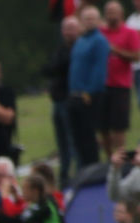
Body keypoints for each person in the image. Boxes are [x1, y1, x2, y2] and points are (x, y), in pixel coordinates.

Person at [70, 8, 112, 172]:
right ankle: (83, 169)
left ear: (98, 20)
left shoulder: (99, 41)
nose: (89, 22)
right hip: (74, 94)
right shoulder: (80, 41)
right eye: (86, 18)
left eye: (92, 18)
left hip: (88, 95)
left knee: (88, 136)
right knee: (78, 137)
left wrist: (90, 91)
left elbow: (99, 70)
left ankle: (93, 170)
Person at [103, 1, 140, 158]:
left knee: (118, 127)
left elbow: (136, 56)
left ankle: (121, 160)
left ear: (121, 14)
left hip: (121, 85)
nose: (111, 15)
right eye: (108, 12)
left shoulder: (130, 32)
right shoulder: (101, 32)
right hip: (102, 86)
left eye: (114, 12)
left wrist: (115, 50)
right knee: (103, 128)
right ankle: (109, 162)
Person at [48, 14, 87, 178]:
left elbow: (58, 68)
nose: (68, 32)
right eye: (66, 29)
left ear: (78, 29)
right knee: (61, 141)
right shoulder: (61, 49)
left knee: (73, 141)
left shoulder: (80, 48)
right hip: (57, 100)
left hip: (71, 100)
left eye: (72, 28)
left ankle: (79, 174)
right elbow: (50, 69)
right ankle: (64, 175)